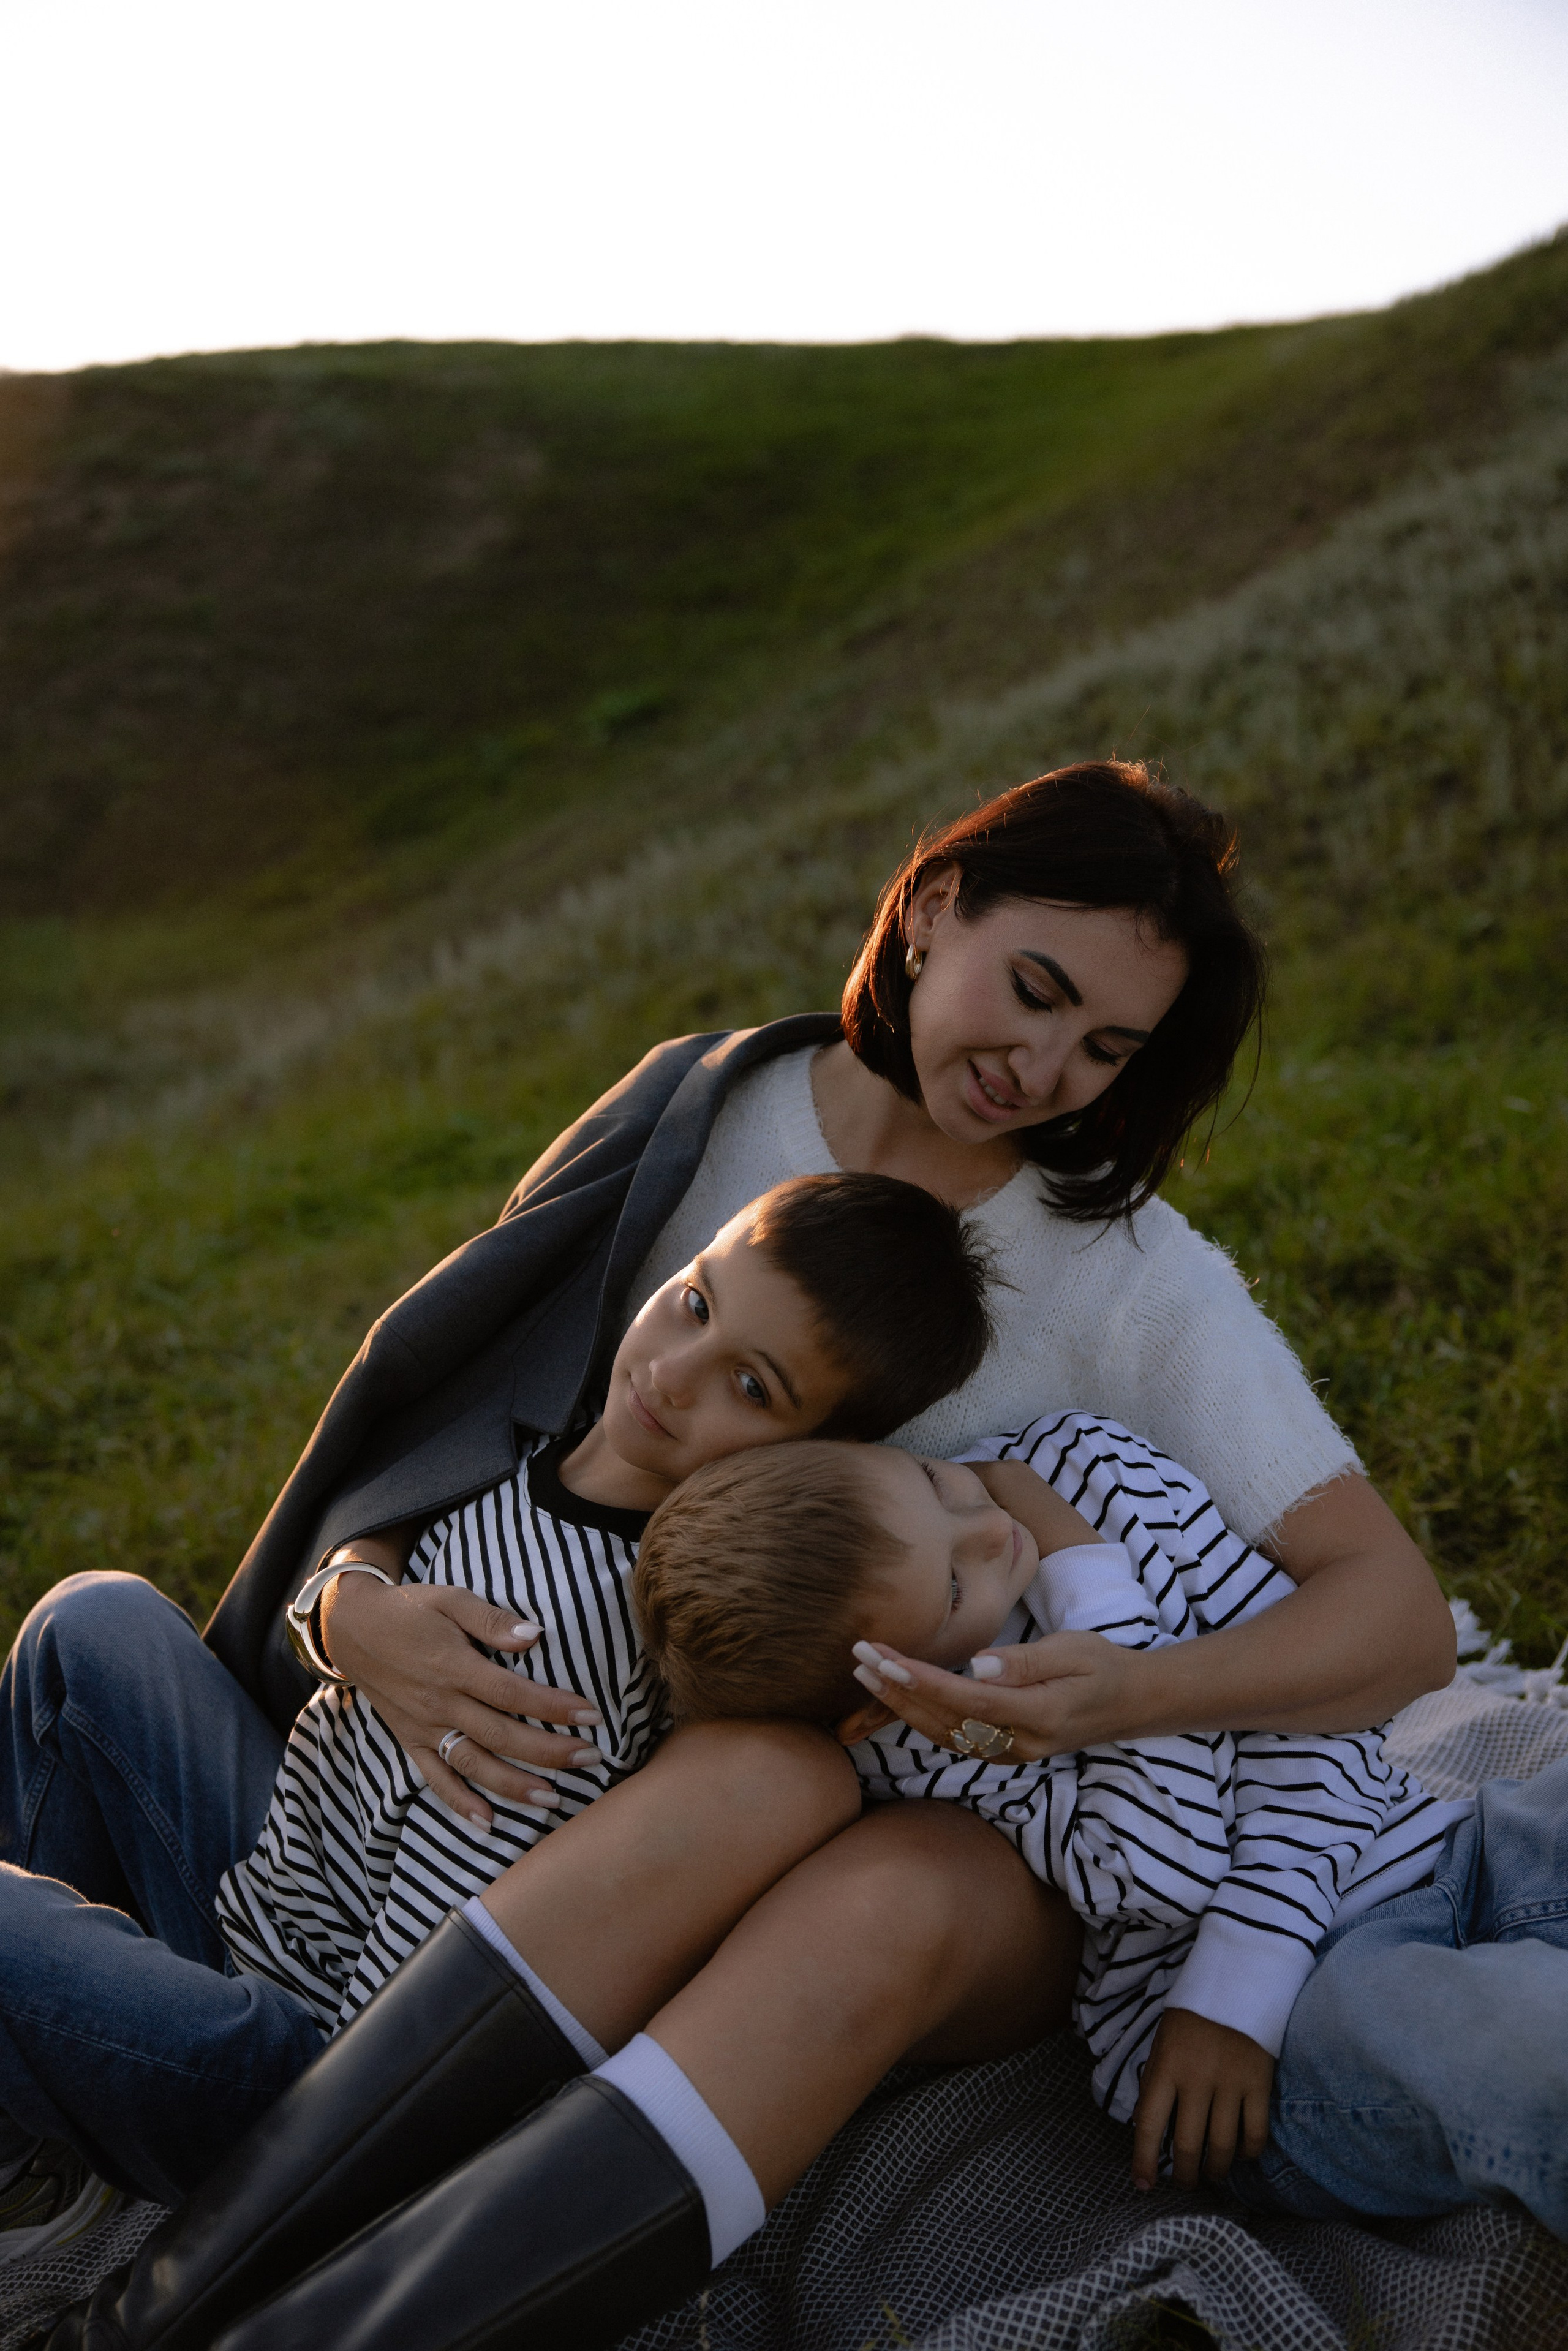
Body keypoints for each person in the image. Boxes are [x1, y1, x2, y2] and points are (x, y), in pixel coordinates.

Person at [15, 762, 1456, 2351]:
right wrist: (355, 1602)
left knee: (772, 1787)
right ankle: (94, 2135)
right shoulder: (709, 1108)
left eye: (1108, 1045)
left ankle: (208, 2194)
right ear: (928, 912)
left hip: (861, 1799)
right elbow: (473, 1423)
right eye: (1035, 990)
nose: (1045, 1064)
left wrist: (1123, 1689)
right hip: (458, 1771)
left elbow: (1394, 1619)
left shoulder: (1135, 1282)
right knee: (94, 1625)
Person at [0, 1174, 987, 2205]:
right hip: (272, 1885)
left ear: (810, 1456)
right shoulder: (538, 1441)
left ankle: (61, 2137)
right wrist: (347, 1598)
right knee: (93, 1621)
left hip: (302, 2065)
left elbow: (412, 1996)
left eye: (752, 1387)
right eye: (698, 1301)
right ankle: (43, 2135)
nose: (675, 1372)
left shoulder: (587, 1634)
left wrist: (275, 2124)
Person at [635, 1410, 1464, 2184]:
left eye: (932, 1480)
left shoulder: (1085, 1464)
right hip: (1272, 2020)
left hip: (1433, 1848)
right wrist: (1095, 1603)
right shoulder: (942, 1742)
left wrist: (1258, 1939)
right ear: (882, 1700)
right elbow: (1168, 1866)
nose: (992, 1526)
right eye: (957, 1588)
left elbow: (1325, 1703)